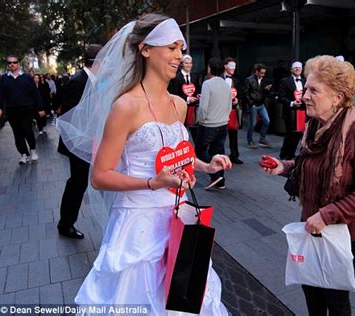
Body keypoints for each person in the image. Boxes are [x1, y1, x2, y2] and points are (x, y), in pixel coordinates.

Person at [59, 14, 230, 313]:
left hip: (178, 218)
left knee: (184, 297)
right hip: (137, 226)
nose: (179, 55)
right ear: (145, 49)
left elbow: (179, 154)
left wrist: (205, 165)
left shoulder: (178, 103)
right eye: (171, 47)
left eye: (181, 48)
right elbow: (99, 177)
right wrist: (153, 182)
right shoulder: (125, 106)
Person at [261, 55, 355, 315]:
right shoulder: (315, 126)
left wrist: (328, 215)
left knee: (335, 300)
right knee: (311, 292)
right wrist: (284, 167)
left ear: (338, 97)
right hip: (311, 225)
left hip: (345, 233)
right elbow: (306, 164)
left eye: (313, 90)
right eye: (306, 88)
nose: (304, 95)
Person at [57, 44, 103, 239]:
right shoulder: (78, 81)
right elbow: (72, 115)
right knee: (78, 182)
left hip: (89, 140)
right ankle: (66, 224)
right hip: (78, 142)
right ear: (97, 62)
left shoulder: (94, 80)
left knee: (81, 181)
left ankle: (66, 222)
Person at [0, 55, 45, 164]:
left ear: (18, 63)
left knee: (28, 130)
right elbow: (0, 94)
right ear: (7, 64)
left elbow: (35, 94)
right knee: (17, 134)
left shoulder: (27, 78)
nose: (12, 64)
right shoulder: (4, 78)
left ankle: (33, 150)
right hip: (12, 111)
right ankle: (24, 154)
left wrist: (40, 108)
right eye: (9, 63)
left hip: (27, 110)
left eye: (14, 62)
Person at [196, 57, 232, 190]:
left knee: (200, 151)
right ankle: (220, 180)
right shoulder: (226, 84)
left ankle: (215, 174)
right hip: (223, 123)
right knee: (219, 151)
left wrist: (200, 119)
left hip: (208, 124)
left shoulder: (207, 84)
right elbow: (229, 106)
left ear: (209, 68)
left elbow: (203, 108)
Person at [168, 54, 200, 140]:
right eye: (186, 63)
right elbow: (173, 93)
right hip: (181, 109)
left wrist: (197, 95)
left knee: (196, 134)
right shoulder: (176, 77)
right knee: (182, 133)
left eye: (190, 63)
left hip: (193, 109)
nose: (188, 65)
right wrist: (187, 99)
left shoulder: (195, 76)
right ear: (181, 64)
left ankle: (197, 152)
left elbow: (196, 89)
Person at [279, 61, 306, 160]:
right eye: (295, 68)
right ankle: (284, 153)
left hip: (302, 111)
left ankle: (291, 154)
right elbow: (281, 97)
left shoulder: (304, 81)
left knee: (298, 134)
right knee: (290, 134)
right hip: (290, 112)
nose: (298, 69)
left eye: (299, 67)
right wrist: (291, 103)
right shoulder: (285, 81)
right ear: (291, 69)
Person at [244, 63, 272, 148]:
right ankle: (250, 140)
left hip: (261, 103)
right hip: (254, 104)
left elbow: (264, 92)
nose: (263, 75)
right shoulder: (249, 80)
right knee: (252, 123)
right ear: (257, 72)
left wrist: (267, 90)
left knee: (267, 120)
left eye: (264, 73)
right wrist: (251, 104)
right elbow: (246, 93)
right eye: (262, 73)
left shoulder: (264, 80)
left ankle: (262, 139)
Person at [222, 57, 243, 164]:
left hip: (233, 110)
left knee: (233, 133)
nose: (233, 69)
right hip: (221, 110)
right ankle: (219, 155)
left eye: (234, 67)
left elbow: (240, 93)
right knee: (220, 134)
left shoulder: (236, 80)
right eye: (231, 66)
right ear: (225, 66)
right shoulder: (219, 78)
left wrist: (237, 100)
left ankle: (234, 155)